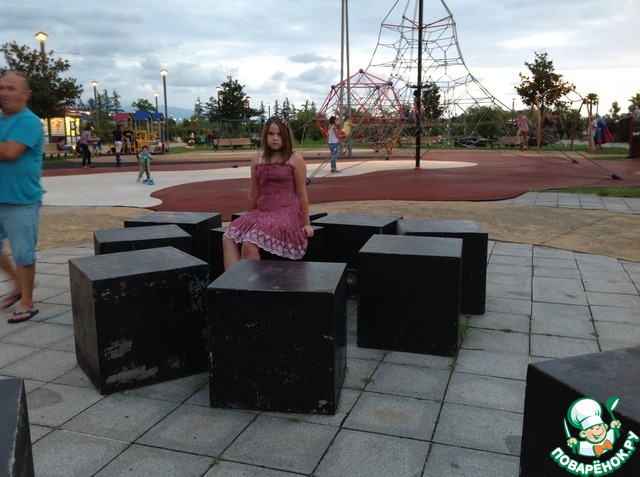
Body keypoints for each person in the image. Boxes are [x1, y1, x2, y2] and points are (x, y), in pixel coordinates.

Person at [222, 116, 314, 270]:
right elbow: (254, 193)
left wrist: (306, 223)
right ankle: (233, 282)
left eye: (279, 134)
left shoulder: (294, 159)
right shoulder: (257, 160)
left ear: (286, 137)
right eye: (271, 134)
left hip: (286, 212)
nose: (275, 138)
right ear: (265, 136)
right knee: (228, 238)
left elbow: (302, 194)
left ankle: (250, 284)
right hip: (263, 211)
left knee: (249, 243)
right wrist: (249, 218)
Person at [0, 71, 44, 324]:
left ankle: (27, 301)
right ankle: (18, 284)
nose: (4, 93)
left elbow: (10, 152)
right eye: (2, 88)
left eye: (11, 88)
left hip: (21, 200)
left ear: (26, 94)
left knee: (23, 253)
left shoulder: (30, 121)